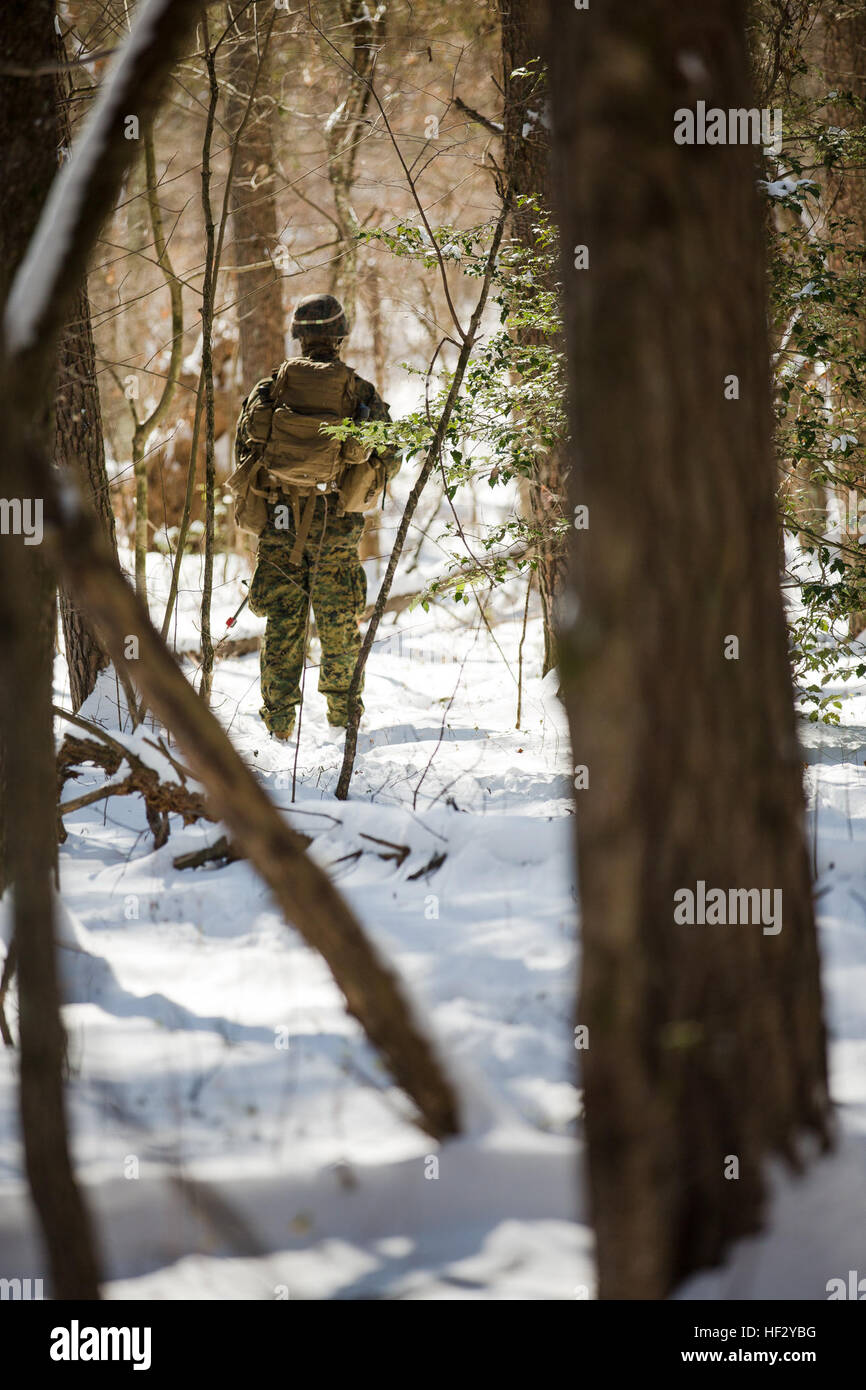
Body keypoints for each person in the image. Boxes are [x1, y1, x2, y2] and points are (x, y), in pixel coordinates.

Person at [232, 293, 399, 741]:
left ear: (299, 336)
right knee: (339, 623)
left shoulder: (269, 390)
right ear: (341, 336)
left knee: (284, 623)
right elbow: (388, 455)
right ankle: (345, 723)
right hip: (336, 525)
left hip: (281, 521)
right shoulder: (360, 392)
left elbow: (243, 452)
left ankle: (279, 723)